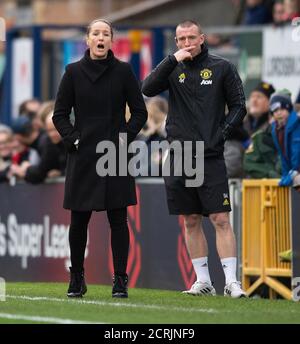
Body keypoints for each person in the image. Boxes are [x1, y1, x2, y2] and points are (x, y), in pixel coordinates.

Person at [142, 20, 247, 298]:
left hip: (209, 154)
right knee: (190, 219)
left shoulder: (222, 67)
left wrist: (221, 133)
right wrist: (171, 59)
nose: (187, 43)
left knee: (220, 218)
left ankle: (231, 282)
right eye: (181, 39)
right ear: (176, 42)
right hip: (178, 154)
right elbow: (148, 87)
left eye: (191, 37)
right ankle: (203, 281)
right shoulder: (173, 67)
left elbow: (239, 106)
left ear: (202, 38)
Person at [53, 19, 147, 298]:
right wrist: (75, 139)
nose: (101, 38)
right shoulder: (72, 72)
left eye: (105, 33)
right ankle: (77, 277)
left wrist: (122, 139)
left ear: (111, 40)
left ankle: (120, 279)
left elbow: (139, 111)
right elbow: (59, 115)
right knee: (78, 221)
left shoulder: (123, 71)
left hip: (115, 155)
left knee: (118, 219)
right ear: (88, 39)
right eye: (96, 33)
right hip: (82, 155)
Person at [269, 89, 300, 190]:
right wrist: (285, 173)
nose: (278, 113)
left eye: (281, 109)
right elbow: (282, 156)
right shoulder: (276, 130)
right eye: (275, 111)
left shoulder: (296, 123)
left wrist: (295, 171)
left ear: (288, 109)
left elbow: (297, 149)